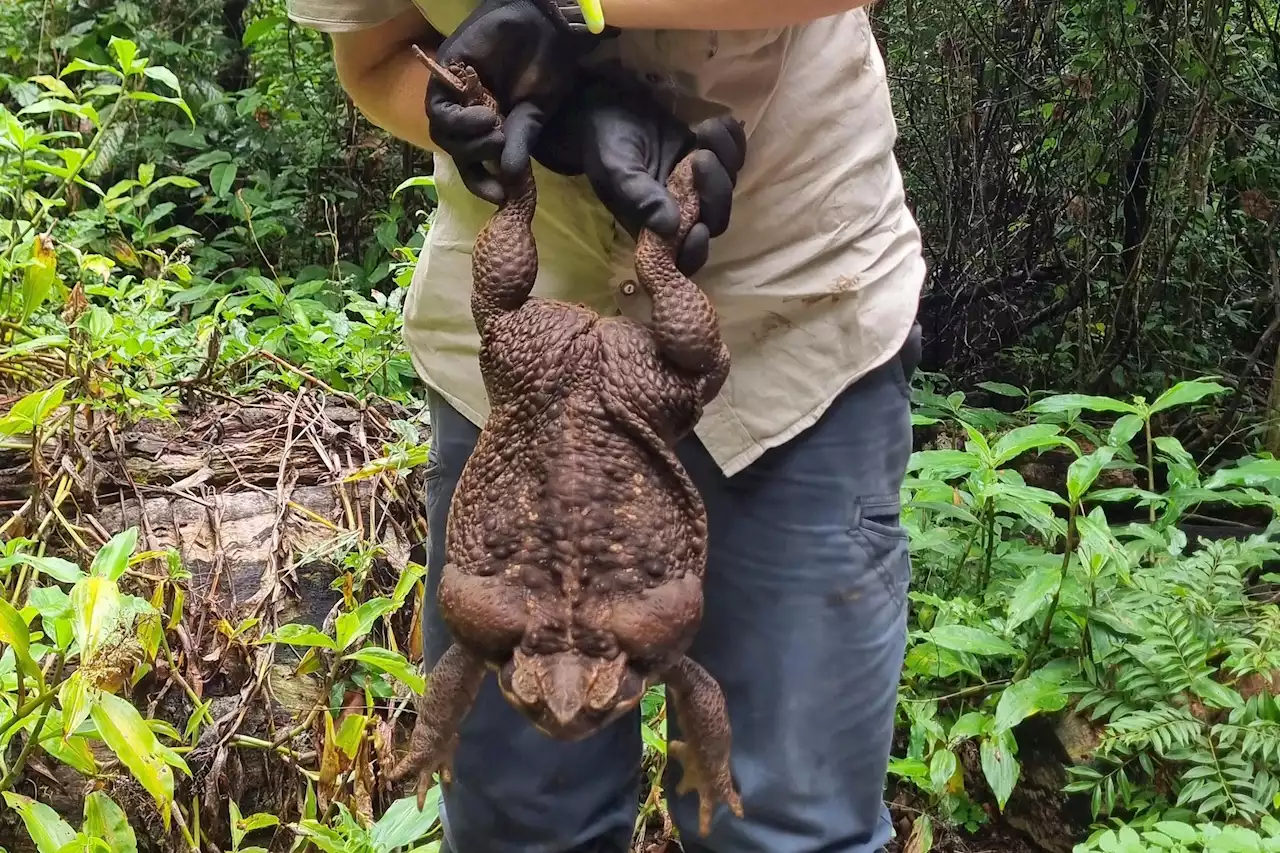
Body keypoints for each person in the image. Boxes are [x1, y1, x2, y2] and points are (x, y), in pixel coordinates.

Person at [285, 1, 926, 851]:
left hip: (790, 318)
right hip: (520, 365)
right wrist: (518, 124)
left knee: (786, 827)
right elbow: (374, 62)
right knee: (519, 828)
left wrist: (568, 7)